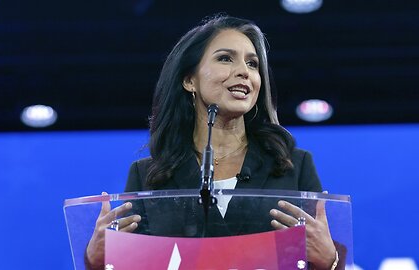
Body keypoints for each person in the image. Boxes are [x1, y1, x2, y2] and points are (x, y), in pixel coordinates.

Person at [85, 13, 345, 270]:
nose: (244, 72)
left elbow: (316, 255)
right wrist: (98, 261)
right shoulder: (149, 177)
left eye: (253, 64)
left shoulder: (293, 166)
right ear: (189, 80)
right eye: (225, 58)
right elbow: (133, 265)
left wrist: (328, 261)